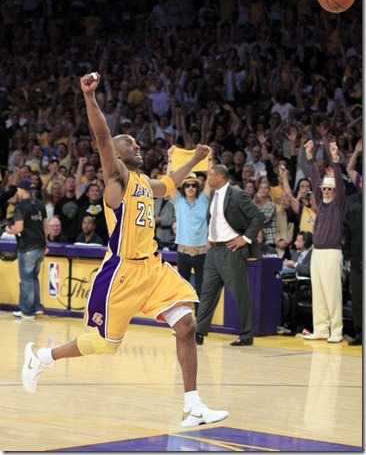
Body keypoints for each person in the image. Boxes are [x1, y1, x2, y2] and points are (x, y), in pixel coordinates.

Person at [21, 71, 229, 429]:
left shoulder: (146, 184)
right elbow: (102, 135)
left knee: (186, 325)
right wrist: (89, 97)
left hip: (154, 268)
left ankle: (192, 406)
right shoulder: (116, 179)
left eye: (136, 143)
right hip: (122, 273)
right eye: (129, 143)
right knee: (106, 344)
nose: (137, 146)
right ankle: (42, 357)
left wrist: (193, 160)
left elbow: (170, 184)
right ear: (115, 154)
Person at [195, 164, 265, 347]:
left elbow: (258, 216)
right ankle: (199, 332)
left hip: (231, 250)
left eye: (210, 175)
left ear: (219, 177)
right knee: (207, 293)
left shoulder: (237, 194)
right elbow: (215, 220)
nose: (207, 179)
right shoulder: (214, 195)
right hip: (213, 251)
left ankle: (247, 334)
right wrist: (210, 237)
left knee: (239, 294)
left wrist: (246, 238)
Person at [302, 140, 346, 343]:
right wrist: (310, 156)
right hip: (317, 252)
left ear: (336, 192)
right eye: (325, 189)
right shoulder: (320, 201)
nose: (327, 192)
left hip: (331, 252)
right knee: (318, 292)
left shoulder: (338, 205)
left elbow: (337, 180)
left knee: (332, 293)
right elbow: (314, 177)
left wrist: (335, 160)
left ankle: (336, 331)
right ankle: (320, 328)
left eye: (330, 189)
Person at [168, 169, 212, 311]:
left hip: (201, 253)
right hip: (183, 252)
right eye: (187, 185)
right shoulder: (178, 202)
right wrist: (170, 159)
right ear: (183, 188)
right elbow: (169, 182)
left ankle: (199, 325)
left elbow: (210, 179)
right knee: (182, 290)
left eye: (193, 185)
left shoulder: (203, 201)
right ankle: (183, 321)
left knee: (201, 290)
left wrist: (210, 158)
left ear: (197, 187)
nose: (191, 188)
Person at [4, 179, 47, 319]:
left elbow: (18, 228)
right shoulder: (40, 204)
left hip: (27, 247)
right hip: (40, 246)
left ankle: (27, 311)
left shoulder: (20, 206)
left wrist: (7, 229)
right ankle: (37, 307)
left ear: (22, 190)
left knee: (26, 280)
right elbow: (45, 226)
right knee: (34, 278)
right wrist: (45, 245)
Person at [343, 189, 362, 346]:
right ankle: (360, 333)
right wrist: (348, 255)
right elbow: (346, 231)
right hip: (356, 260)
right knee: (356, 299)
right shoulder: (352, 201)